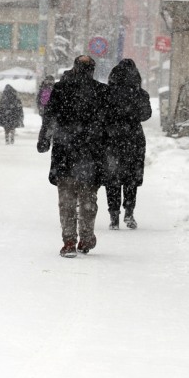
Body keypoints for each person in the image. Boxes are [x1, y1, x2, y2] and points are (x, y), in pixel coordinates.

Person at [37, 55, 108, 258]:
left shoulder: (60, 89)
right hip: (91, 154)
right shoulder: (101, 92)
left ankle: (69, 241)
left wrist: (45, 139)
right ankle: (85, 237)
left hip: (65, 152)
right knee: (88, 198)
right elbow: (108, 126)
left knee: (66, 199)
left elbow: (49, 116)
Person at [104, 59, 152, 230]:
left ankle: (114, 215)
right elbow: (146, 115)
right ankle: (129, 212)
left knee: (112, 178)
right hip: (134, 139)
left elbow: (101, 114)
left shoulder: (107, 93)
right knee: (131, 177)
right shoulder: (140, 94)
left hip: (112, 139)